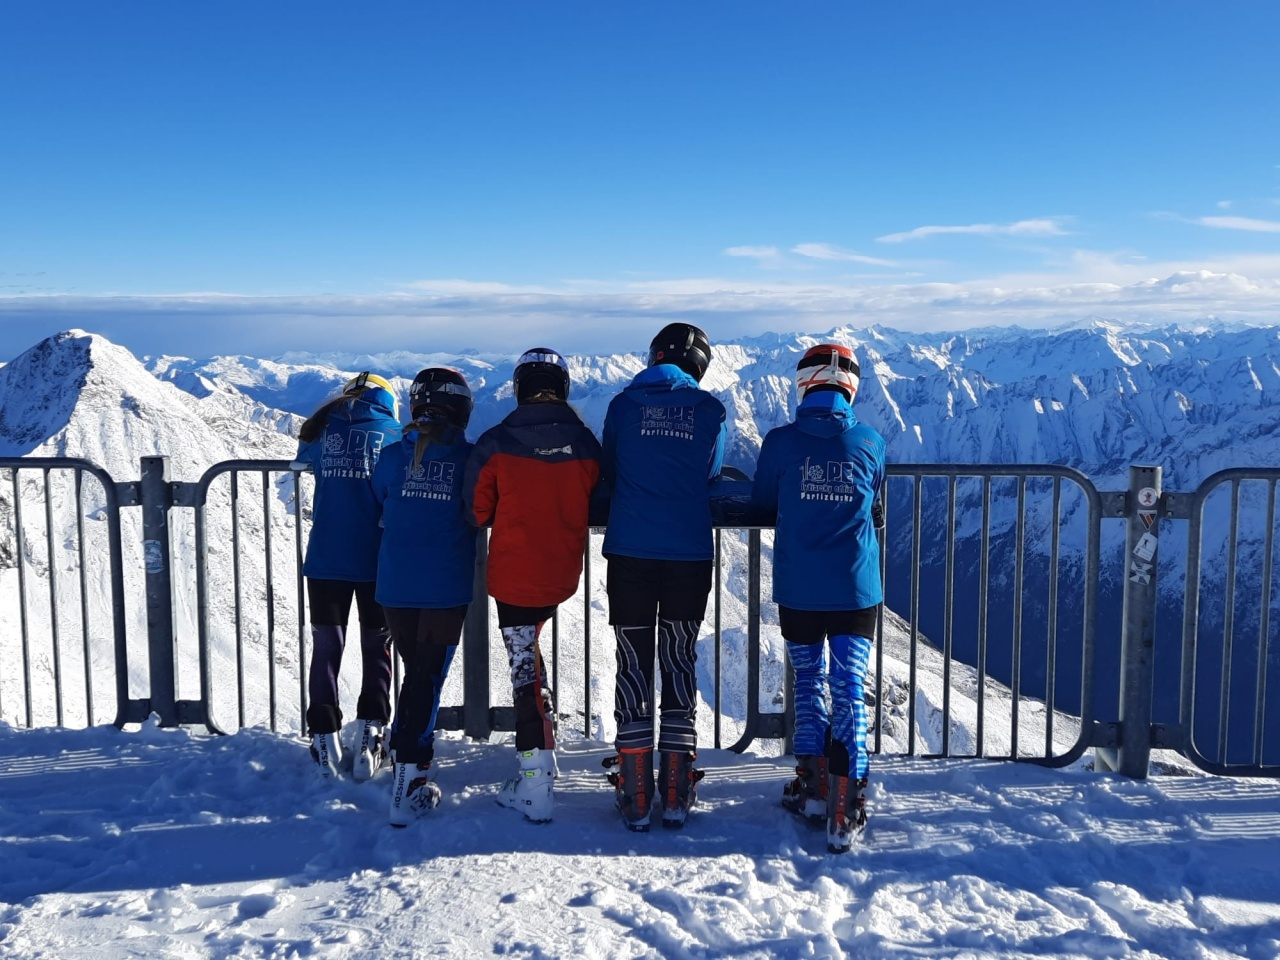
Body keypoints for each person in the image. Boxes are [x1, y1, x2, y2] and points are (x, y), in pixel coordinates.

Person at [750, 343, 886, 853]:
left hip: (800, 587)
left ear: (804, 383)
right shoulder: (870, 440)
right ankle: (848, 801)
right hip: (856, 588)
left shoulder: (780, 442)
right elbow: (874, 497)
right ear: (851, 387)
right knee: (849, 684)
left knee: (808, 680)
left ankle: (812, 786)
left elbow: (763, 500)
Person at [464, 347, 602, 823]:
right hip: (560, 572)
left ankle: (535, 783)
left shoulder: (496, 442)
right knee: (531, 661)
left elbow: (476, 510)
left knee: (523, 671)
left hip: (513, 575)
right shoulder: (585, 443)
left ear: (520, 388)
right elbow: (599, 498)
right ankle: (543, 747)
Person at [599, 323, 726, 831]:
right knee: (678, 658)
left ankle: (634, 790)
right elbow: (711, 472)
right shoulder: (710, 410)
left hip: (629, 550)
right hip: (689, 553)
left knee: (632, 661)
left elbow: (610, 469)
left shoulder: (622, 406)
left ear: (654, 357)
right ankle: (675, 786)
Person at [371, 367, 477, 826]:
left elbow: (380, 497)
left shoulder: (391, 457)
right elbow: (479, 509)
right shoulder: (469, 459)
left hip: (395, 584)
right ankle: (410, 776)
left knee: (418, 673)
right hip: (444, 585)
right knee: (426, 677)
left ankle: (407, 752)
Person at [294, 372, 401, 779]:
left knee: (326, 646)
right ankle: (372, 730)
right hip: (377, 561)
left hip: (325, 558)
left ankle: (324, 734)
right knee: (378, 647)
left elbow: (305, 459)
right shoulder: (395, 436)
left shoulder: (321, 429)